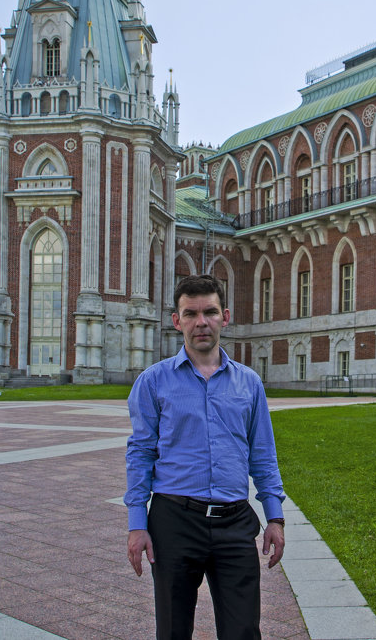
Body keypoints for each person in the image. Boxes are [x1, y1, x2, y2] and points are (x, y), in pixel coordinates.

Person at [125, 274, 286, 640]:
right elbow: (140, 454)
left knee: (244, 630)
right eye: (191, 313)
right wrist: (137, 523)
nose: (202, 322)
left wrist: (274, 517)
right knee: (173, 630)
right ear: (176, 320)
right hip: (174, 522)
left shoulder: (249, 383)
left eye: (210, 312)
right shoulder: (154, 382)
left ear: (225, 316)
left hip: (234, 524)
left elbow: (263, 454)